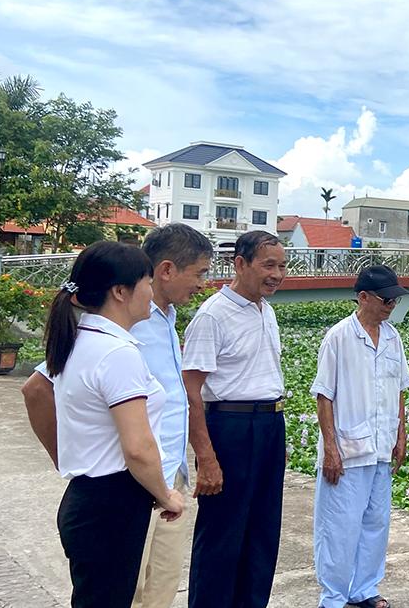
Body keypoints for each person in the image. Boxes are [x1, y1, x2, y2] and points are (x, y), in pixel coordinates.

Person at [21, 223, 213, 608]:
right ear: (122, 291)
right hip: (122, 493)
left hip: (125, 490)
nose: (204, 283)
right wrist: (162, 494)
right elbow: (137, 447)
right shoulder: (116, 349)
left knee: (145, 592)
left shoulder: (97, 338)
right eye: (146, 283)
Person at [181, 230, 288, 608]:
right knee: (222, 535)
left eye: (283, 266)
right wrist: (206, 457)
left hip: (270, 424)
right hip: (231, 428)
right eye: (269, 265)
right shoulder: (212, 315)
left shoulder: (266, 310)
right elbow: (191, 391)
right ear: (240, 264)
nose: (277, 274)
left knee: (262, 532)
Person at [312, 264, 409, 608]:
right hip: (347, 449)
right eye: (386, 300)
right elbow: (324, 395)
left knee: (376, 523)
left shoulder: (393, 338)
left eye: (395, 301)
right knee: (339, 526)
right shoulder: (339, 337)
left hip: (381, 446)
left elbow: (400, 389)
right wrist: (330, 448)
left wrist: (400, 433)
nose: (391, 306)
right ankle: (333, 596)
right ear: (364, 297)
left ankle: (365, 588)